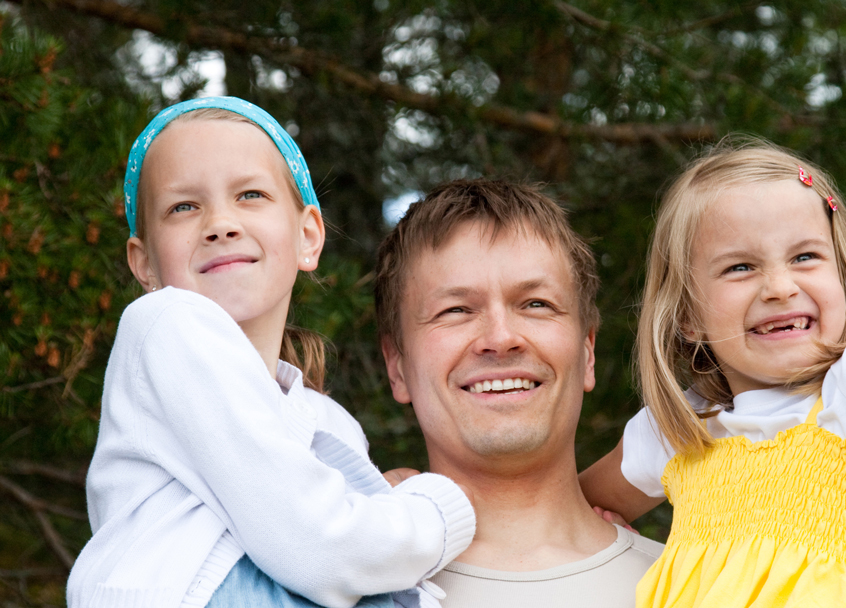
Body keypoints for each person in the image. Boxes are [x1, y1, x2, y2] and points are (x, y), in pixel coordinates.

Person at [578, 75, 846, 607]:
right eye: (740, 267)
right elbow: (569, 513)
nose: (780, 288)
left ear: (844, 281)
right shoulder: (677, 431)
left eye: (805, 257)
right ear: (686, 315)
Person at [67, 98, 475, 608]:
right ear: (144, 263)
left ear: (308, 236)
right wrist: (438, 509)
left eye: (250, 195)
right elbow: (321, 545)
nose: (220, 223)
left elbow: (336, 541)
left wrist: (380, 502)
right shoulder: (167, 324)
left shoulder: (329, 422)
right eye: (183, 207)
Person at [375, 180, 664, 608]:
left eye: (535, 304)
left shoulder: (696, 589)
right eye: (455, 310)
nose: (501, 337)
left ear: (587, 351)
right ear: (397, 365)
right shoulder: (331, 588)